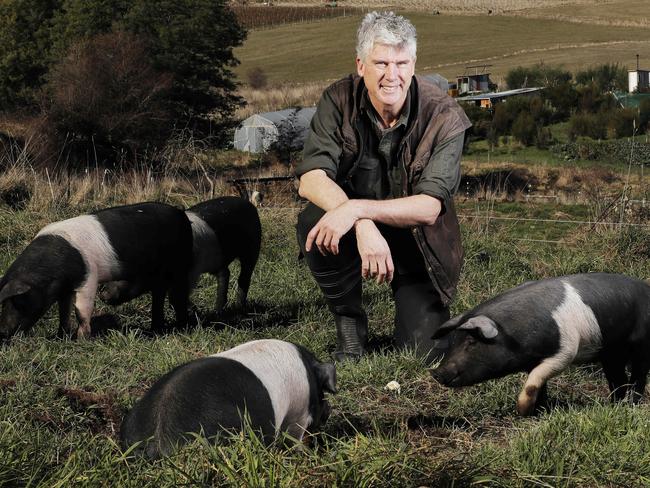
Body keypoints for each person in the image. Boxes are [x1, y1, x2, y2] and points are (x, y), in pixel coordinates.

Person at [295, 11, 471, 362]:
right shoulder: (338, 99)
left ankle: (415, 307)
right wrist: (360, 223)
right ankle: (348, 320)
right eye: (381, 63)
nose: (393, 75)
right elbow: (311, 178)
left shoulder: (445, 117)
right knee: (314, 220)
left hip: (419, 240)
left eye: (402, 63)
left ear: (414, 63)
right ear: (361, 64)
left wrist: (356, 210)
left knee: (423, 355)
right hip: (356, 230)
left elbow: (429, 207)